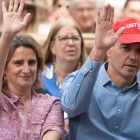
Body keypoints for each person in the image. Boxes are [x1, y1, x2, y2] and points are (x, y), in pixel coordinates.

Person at [61, 3, 140, 140]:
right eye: (126, 48)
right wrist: (98, 50)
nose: (134, 57)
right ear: (109, 49)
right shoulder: (75, 79)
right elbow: (71, 107)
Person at [0, 0, 64, 139]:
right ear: (4, 69)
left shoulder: (50, 104)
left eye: (31, 63)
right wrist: (6, 36)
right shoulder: (2, 101)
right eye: (18, 63)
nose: (26, 69)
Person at [39, 18, 87, 136]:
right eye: (64, 38)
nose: (70, 43)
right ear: (52, 46)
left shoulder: (91, 78)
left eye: (75, 38)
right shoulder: (37, 78)